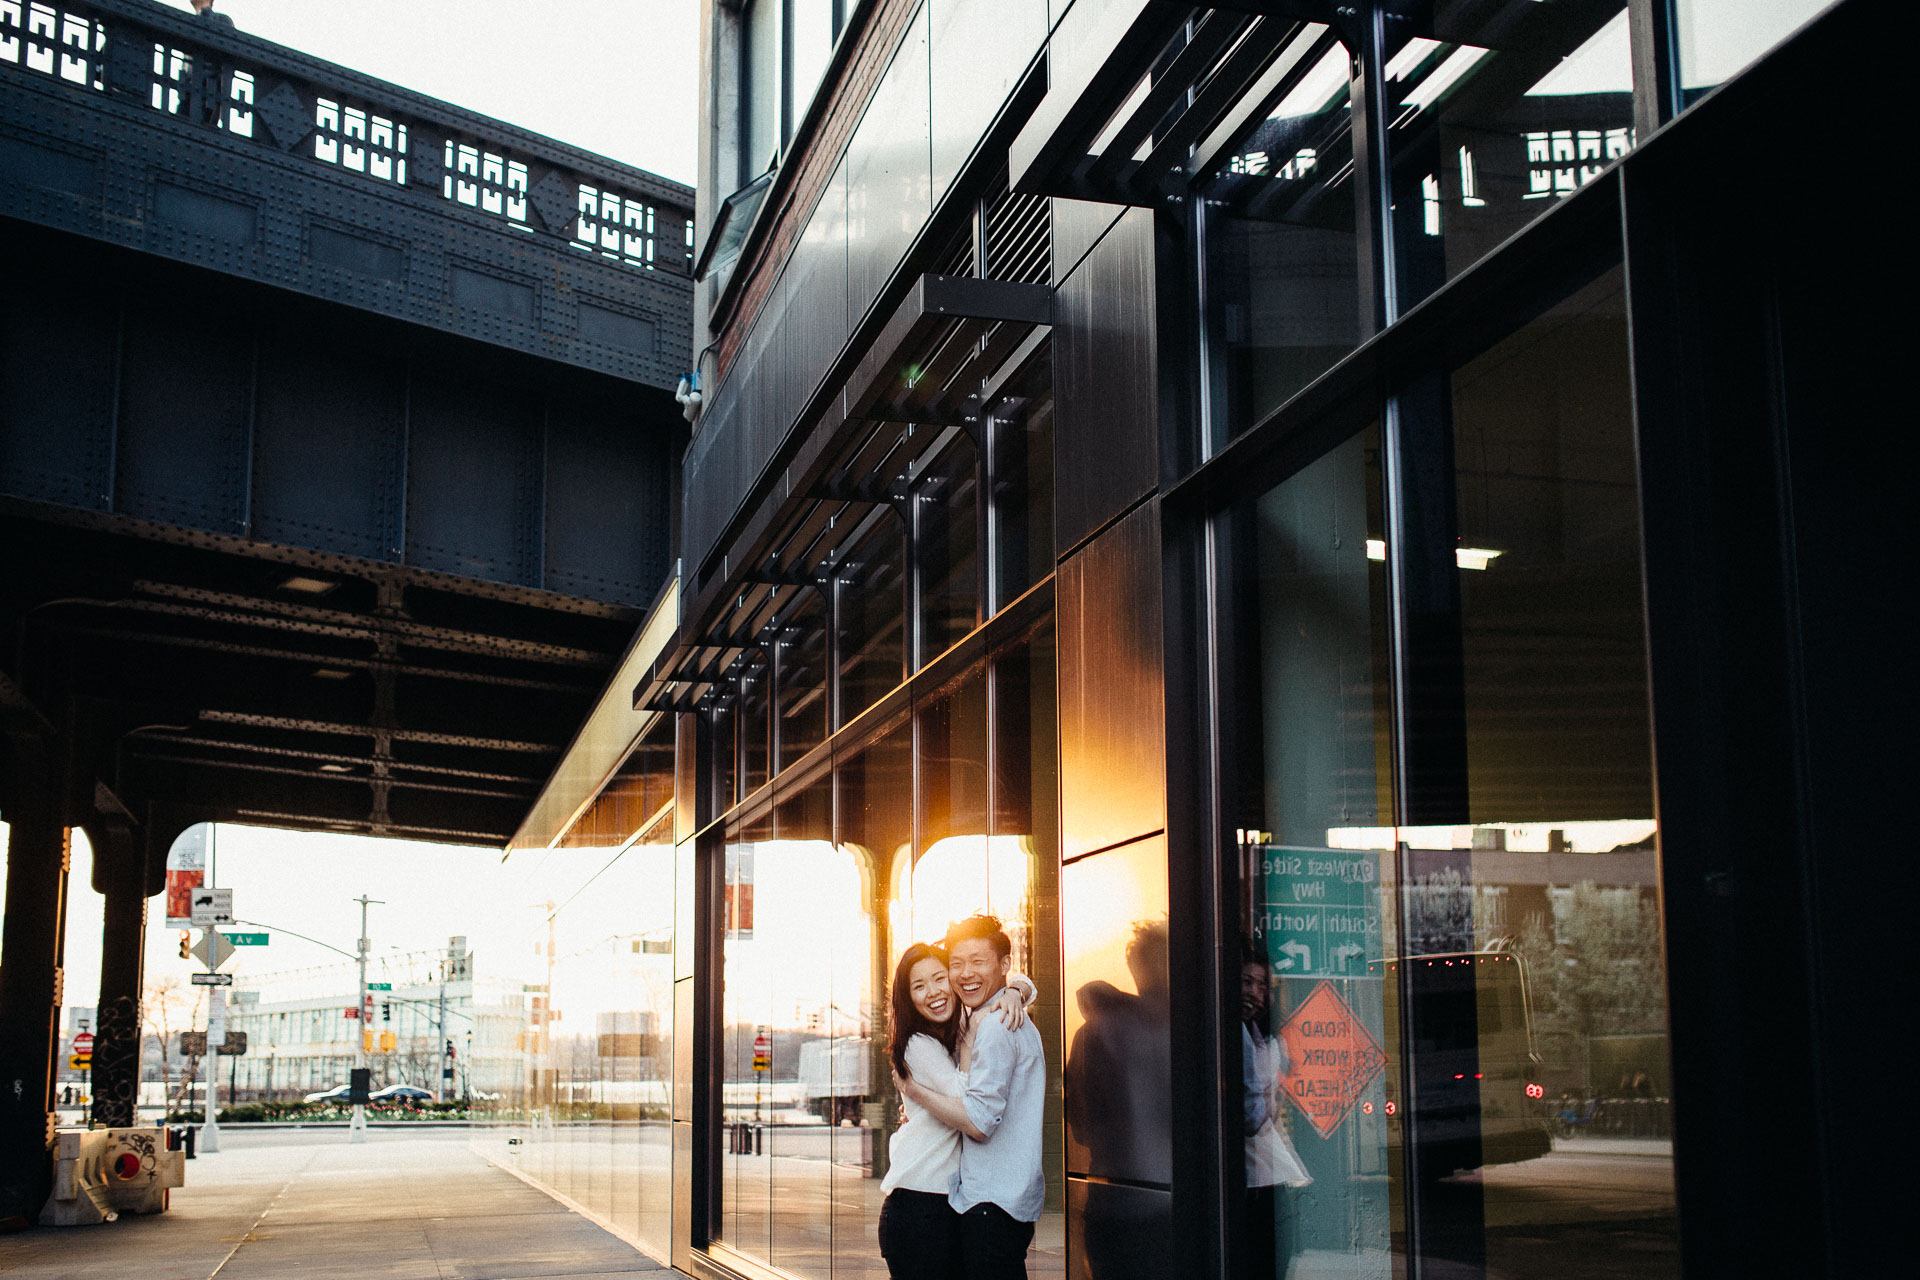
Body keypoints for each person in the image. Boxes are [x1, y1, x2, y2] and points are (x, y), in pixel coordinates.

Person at [897, 914, 1046, 1280]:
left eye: (978, 962)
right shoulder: (987, 1016)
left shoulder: (995, 1025)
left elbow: (978, 1123)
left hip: (990, 1203)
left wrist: (916, 1092)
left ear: (1003, 965)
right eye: (957, 964)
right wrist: (1017, 989)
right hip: (1004, 1201)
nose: (965, 974)